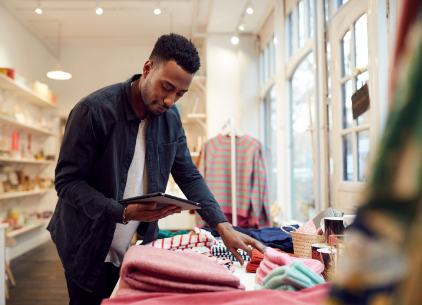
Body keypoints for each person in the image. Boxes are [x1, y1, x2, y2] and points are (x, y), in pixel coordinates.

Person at [47, 33, 266, 305]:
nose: (170, 101)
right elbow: (67, 182)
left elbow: (188, 174)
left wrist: (222, 226)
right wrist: (123, 212)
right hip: (86, 242)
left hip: (134, 244)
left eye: (180, 94)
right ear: (147, 68)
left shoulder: (171, 119)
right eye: (166, 87)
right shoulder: (93, 111)